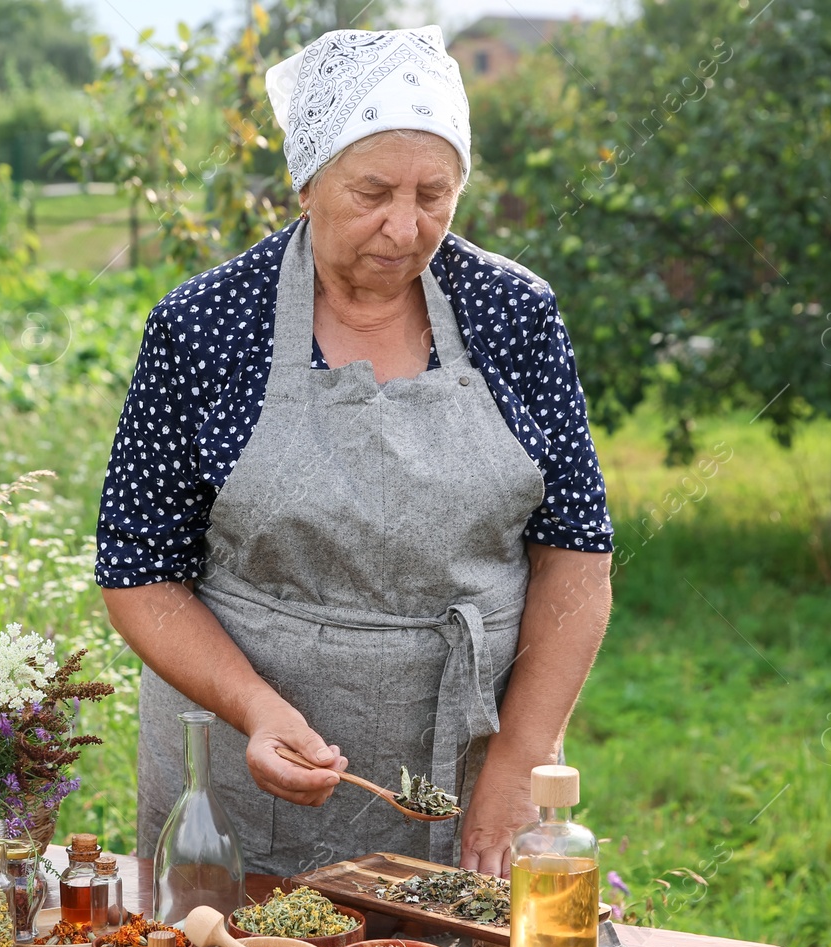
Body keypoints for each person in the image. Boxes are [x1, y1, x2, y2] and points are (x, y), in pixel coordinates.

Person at [96, 26, 613, 878]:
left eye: (434, 195)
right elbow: (139, 571)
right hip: (248, 770)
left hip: (470, 758)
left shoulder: (514, 316)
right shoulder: (206, 325)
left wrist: (520, 762)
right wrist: (256, 710)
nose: (405, 227)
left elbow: (576, 560)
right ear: (305, 181)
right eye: (373, 190)